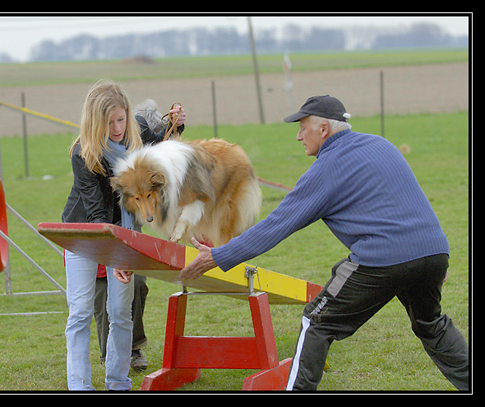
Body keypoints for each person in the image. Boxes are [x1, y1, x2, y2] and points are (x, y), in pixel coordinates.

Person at [179, 95, 468, 391]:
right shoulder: (381, 144)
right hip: (433, 251)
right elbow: (413, 200)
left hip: (382, 258)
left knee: (316, 323)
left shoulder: (327, 167)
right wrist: (432, 258)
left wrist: (219, 256)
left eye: (303, 127)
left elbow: (276, 226)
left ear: (324, 129)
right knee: (431, 325)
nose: (298, 136)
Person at [62, 80, 185, 390]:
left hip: (125, 233)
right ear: (94, 121)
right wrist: (113, 255)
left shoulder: (136, 132)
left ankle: (118, 382)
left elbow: (158, 145)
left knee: (121, 310)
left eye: (121, 118)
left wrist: (176, 124)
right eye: (109, 122)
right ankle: (80, 386)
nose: (117, 128)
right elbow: (97, 214)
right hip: (84, 232)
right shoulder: (83, 153)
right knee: (79, 312)